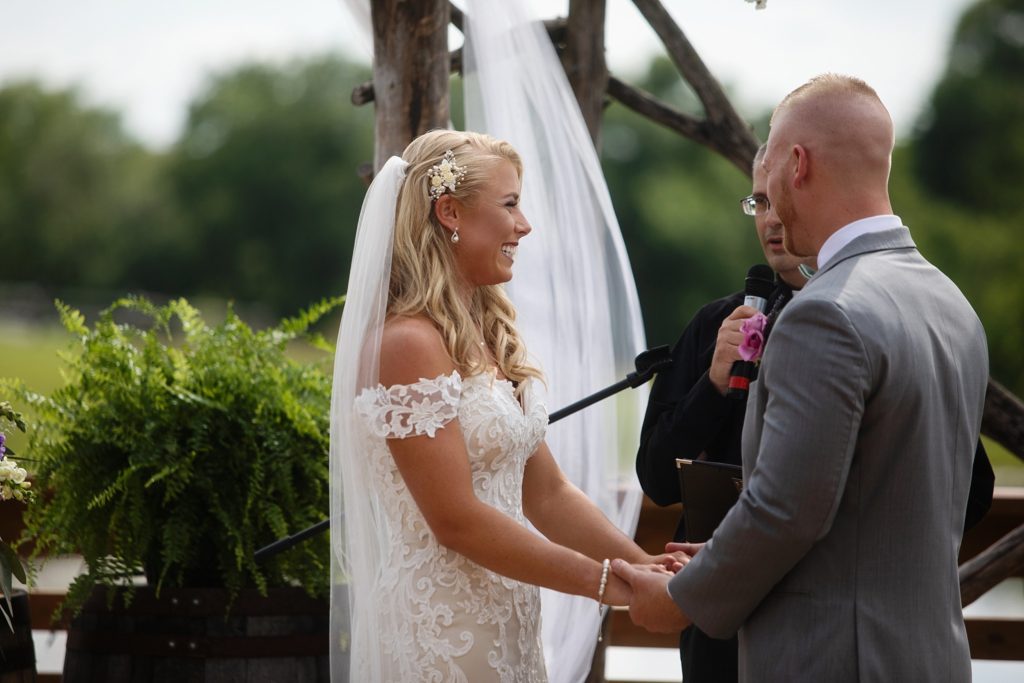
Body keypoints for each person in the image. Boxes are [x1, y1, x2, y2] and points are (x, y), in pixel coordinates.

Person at [613, 74, 989, 681]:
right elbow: (873, 514)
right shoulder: (945, 298)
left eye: (771, 184)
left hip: (835, 658)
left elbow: (785, 513)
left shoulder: (826, 312)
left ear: (797, 163)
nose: (769, 210)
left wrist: (680, 598)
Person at [329, 129, 683, 682]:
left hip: (508, 619)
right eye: (511, 204)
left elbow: (548, 493)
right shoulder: (407, 344)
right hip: (439, 630)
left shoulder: (490, 334)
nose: (525, 225)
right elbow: (457, 520)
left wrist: (646, 566)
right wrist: (606, 582)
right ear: (450, 212)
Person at [634, 144, 814, 682]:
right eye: (758, 203)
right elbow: (658, 479)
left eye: (780, 200)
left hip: (817, 614)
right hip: (718, 625)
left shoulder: (867, 318)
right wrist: (712, 385)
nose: (771, 219)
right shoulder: (716, 321)